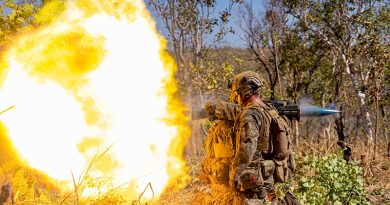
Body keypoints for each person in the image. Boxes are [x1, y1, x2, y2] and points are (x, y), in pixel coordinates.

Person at [228, 71, 300, 204]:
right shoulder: (269, 110)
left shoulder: (250, 114)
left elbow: (247, 148)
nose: (235, 96)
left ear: (245, 91)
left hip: (254, 179)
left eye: (237, 92)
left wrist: (234, 174)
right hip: (268, 175)